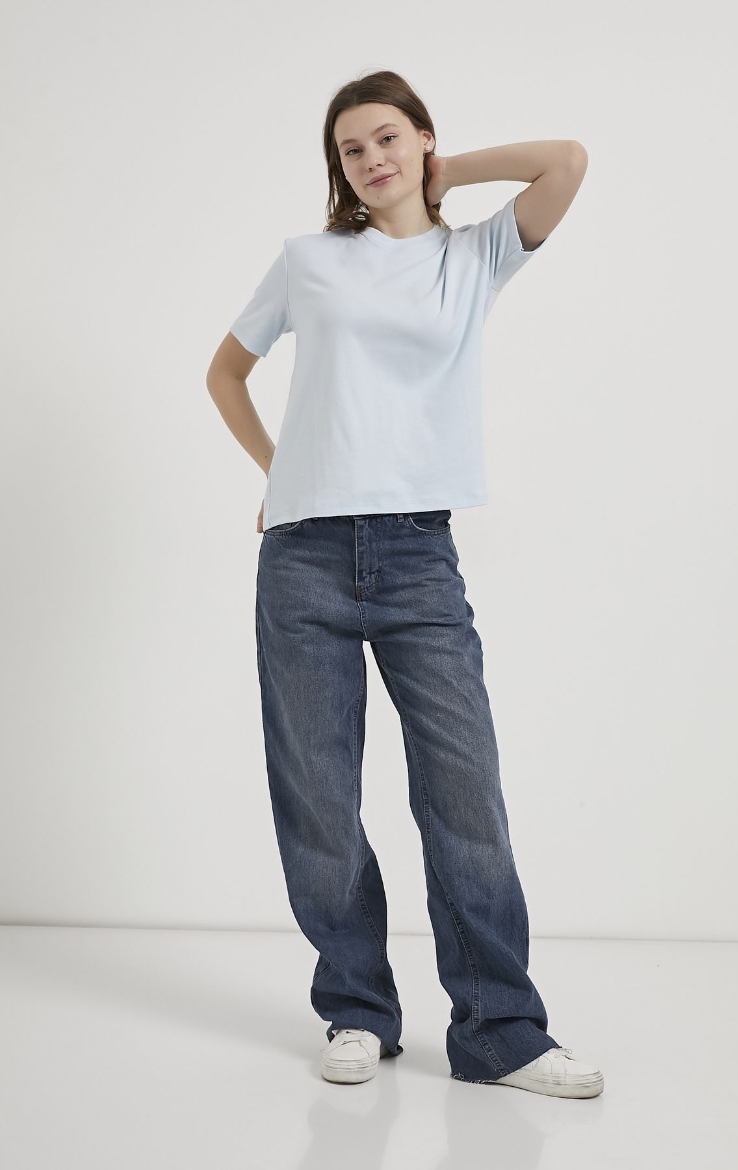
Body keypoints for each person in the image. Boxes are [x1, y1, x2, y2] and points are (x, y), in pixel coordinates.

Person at [206, 69, 603, 1099]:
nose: (370, 159)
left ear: (422, 137)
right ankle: (357, 1010)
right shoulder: (309, 260)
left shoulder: (473, 256)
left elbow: (566, 162)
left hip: (421, 557)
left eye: (388, 137)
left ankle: (499, 1032)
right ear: (335, 169)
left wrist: (445, 176)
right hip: (303, 560)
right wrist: (279, 474)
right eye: (351, 150)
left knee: (465, 796)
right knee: (319, 799)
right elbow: (224, 372)